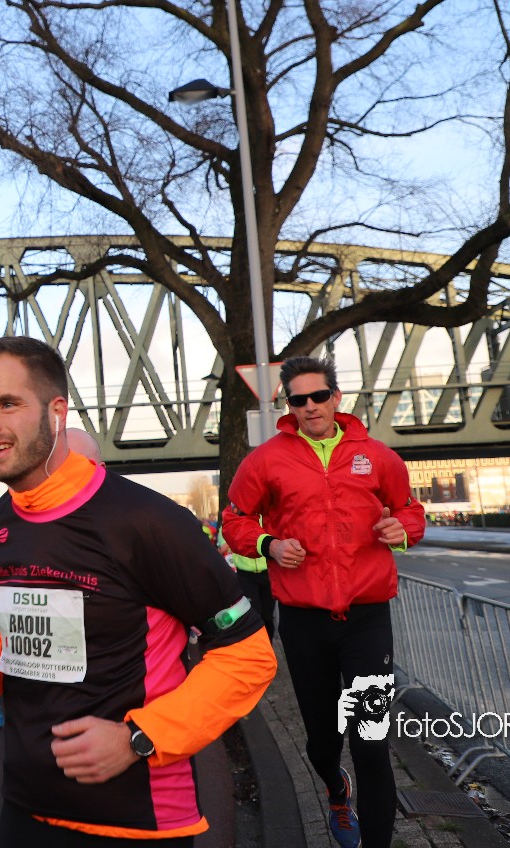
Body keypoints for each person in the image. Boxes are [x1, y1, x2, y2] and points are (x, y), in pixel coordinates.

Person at [0, 336, 277, 847]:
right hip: (26, 807)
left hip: (138, 818)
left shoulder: (147, 521)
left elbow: (248, 655)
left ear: (56, 411)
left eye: (7, 404)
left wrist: (140, 737)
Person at [222, 355, 426, 848]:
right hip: (304, 620)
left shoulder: (376, 456)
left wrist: (402, 529)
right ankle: (336, 790)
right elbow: (234, 520)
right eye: (299, 399)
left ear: (336, 397)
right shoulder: (265, 460)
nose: (310, 406)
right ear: (288, 406)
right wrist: (269, 544)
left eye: (318, 396)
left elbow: (410, 510)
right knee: (321, 742)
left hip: (366, 619)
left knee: (371, 741)